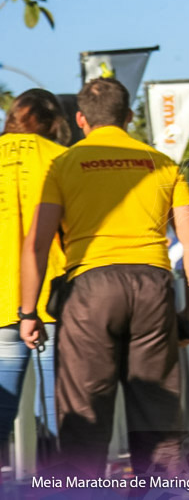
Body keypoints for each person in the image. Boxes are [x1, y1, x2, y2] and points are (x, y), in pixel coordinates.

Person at [19, 78, 189, 478]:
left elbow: (36, 245)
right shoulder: (163, 163)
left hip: (90, 289)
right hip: (153, 285)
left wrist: (28, 311)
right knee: (157, 414)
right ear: (130, 117)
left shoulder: (63, 164)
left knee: (84, 412)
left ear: (82, 119)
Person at [0, 90, 68, 454]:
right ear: (55, 121)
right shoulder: (62, 160)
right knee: (57, 411)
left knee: (0, 411)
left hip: (1, 305)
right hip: (50, 301)